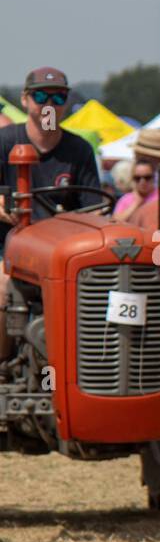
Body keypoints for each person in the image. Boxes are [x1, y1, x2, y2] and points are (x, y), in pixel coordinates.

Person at [0, 67, 101, 360]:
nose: (49, 105)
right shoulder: (6, 142)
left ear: (67, 101)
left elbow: (93, 208)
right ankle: (5, 368)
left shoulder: (78, 150)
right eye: (41, 96)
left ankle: (85, 364)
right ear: (25, 100)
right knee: (3, 287)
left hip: (63, 253)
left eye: (58, 97)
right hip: (8, 247)